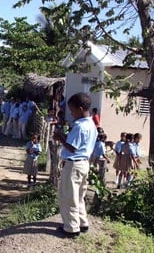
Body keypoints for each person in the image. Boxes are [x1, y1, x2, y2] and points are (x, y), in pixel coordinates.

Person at [53, 92, 98, 238]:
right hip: (84, 163)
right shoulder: (91, 124)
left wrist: (61, 139)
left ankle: (71, 228)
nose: (71, 114)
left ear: (79, 109)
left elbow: (73, 147)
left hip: (74, 165)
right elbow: (78, 144)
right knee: (79, 196)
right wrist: (66, 139)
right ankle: (82, 222)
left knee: (68, 196)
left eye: (72, 110)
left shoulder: (79, 126)